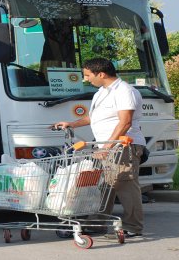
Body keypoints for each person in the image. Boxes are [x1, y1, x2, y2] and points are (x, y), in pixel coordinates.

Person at [51, 57, 145, 238]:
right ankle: (98, 223)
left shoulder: (125, 91)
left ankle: (133, 227)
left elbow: (125, 123)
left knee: (125, 185)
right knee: (104, 186)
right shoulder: (101, 92)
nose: (85, 79)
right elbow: (92, 118)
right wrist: (71, 124)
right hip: (107, 146)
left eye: (87, 75)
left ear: (100, 74)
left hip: (123, 145)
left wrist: (108, 147)